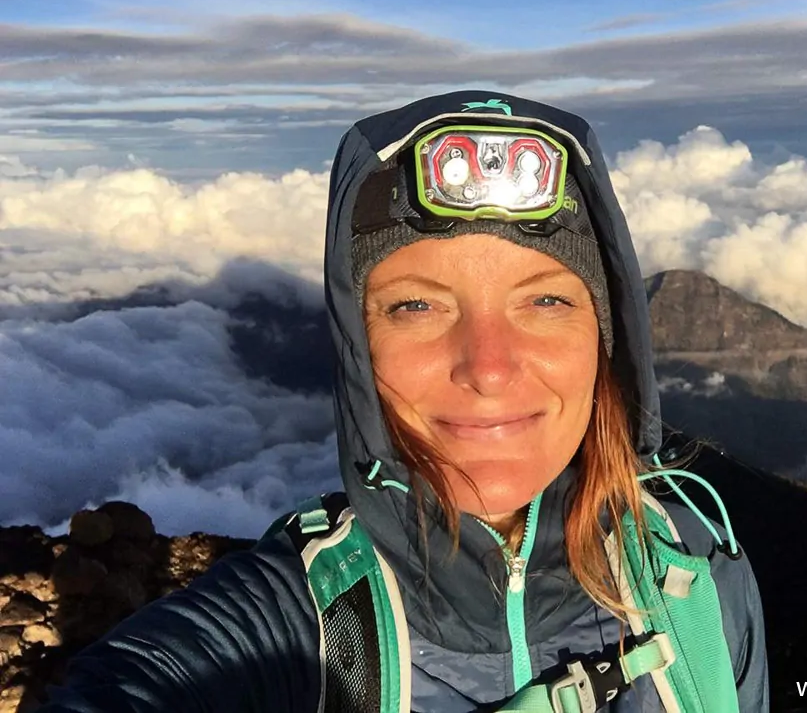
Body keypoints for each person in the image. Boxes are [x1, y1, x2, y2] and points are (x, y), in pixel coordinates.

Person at [39, 91, 769, 712]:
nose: (489, 369)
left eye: (546, 300)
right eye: (417, 306)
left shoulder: (699, 585)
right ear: (359, 349)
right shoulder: (303, 624)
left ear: (607, 345)